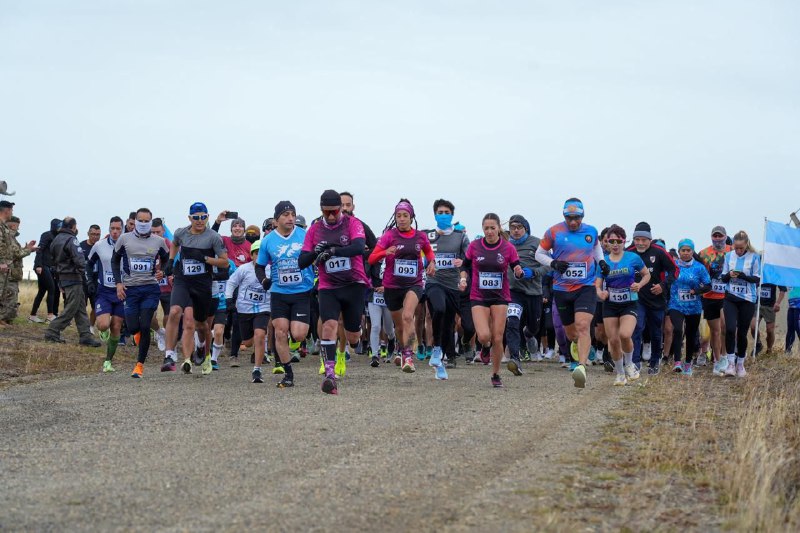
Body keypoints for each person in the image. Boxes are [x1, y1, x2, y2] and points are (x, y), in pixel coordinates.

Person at [299, 190, 370, 395]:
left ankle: (354, 336)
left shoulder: (352, 223)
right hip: (328, 286)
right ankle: (329, 374)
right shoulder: (314, 229)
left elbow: (358, 247)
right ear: (321, 209)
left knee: (353, 336)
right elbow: (301, 262)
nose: (331, 216)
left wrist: (333, 250)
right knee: (329, 325)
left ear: (341, 209)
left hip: (353, 284)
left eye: (335, 212)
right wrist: (316, 251)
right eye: (327, 212)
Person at [535, 198, 607, 388]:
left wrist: (601, 262)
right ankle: (576, 346)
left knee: (583, 325)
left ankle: (581, 367)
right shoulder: (554, 232)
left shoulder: (591, 231)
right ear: (564, 216)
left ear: (582, 216)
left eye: (577, 218)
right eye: (569, 218)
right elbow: (538, 254)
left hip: (586, 287)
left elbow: (596, 249)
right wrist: (553, 263)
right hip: (562, 289)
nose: (573, 222)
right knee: (572, 333)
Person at [368, 199, 436, 374]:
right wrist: (385, 252)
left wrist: (432, 263)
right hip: (392, 286)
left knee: (408, 317)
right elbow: (371, 258)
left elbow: (428, 251)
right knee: (399, 326)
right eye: (398, 216)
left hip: (414, 284)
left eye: (405, 215)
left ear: (411, 217)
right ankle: (401, 346)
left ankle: (408, 356)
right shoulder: (389, 236)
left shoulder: (420, 236)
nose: (402, 219)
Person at [162, 202, 228, 375]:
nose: (200, 221)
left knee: (203, 325)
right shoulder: (180, 232)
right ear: (190, 218)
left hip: (203, 284)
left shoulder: (213, 237)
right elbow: (175, 244)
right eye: (196, 218)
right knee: (175, 310)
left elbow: (224, 262)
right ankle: (169, 354)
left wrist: (204, 258)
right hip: (183, 280)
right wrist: (170, 260)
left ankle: (203, 351)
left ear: (208, 217)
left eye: (203, 217)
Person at [255, 201, 316, 388]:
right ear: (276, 220)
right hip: (279, 292)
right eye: (286, 214)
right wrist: (264, 281)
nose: (290, 218)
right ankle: (288, 374)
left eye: (293, 214)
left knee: (298, 335)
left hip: (302, 292)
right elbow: (259, 266)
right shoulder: (268, 241)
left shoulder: (304, 236)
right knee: (280, 332)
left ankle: (295, 338)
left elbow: (314, 256)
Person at [460, 213, 524, 388]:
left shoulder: (508, 247)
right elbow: (465, 266)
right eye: (486, 228)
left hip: (500, 297)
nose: (489, 231)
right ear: (483, 229)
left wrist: (518, 271)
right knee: (484, 336)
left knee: (497, 336)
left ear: (498, 229)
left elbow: (515, 266)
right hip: (478, 296)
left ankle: (495, 374)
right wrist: (463, 279)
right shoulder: (474, 246)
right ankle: (484, 347)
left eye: (492, 228)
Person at [111, 208, 170, 378]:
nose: (143, 224)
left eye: (147, 221)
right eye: (140, 221)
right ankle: (137, 334)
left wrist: (163, 272)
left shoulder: (159, 241)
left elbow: (167, 260)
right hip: (131, 289)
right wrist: (118, 283)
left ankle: (139, 366)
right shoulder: (124, 238)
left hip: (150, 288)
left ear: (151, 222)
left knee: (145, 325)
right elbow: (115, 262)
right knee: (133, 327)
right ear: (135, 221)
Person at [594, 225, 650, 386]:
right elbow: (597, 284)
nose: (616, 244)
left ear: (624, 241)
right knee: (613, 340)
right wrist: (600, 293)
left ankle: (630, 364)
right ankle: (620, 373)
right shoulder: (603, 262)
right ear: (607, 243)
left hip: (629, 303)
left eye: (619, 240)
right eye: (612, 241)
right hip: (610, 304)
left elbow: (647, 274)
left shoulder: (633, 258)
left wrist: (639, 285)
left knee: (625, 335)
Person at [422, 199, 470, 376]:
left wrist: (462, 261)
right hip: (434, 282)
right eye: (440, 213)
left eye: (446, 212)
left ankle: (447, 357)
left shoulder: (461, 236)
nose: (443, 215)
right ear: (435, 215)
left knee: (450, 323)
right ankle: (436, 349)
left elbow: (469, 258)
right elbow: (420, 257)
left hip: (454, 285)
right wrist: (428, 263)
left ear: (452, 215)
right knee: (439, 310)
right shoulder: (428, 236)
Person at [626, 221, 677, 374]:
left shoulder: (659, 252)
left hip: (656, 299)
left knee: (656, 332)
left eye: (644, 240)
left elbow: (675, 270)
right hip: (636, 298)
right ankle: (634, 362)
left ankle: (655, 362)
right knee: (637, 328)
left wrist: (663, 285)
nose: (640, 243)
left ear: (650, 240)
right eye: (637, 240)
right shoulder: (629, 253)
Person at [44, 217, 101, 346]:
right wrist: (86, 275)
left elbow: (54, 261)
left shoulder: (56, 239)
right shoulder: (72, 240)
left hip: (62, 277)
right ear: (73, 227)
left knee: (80, 308)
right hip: (73, 277)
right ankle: (52, 331)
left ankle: (85, 335)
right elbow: (80, 260)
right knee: (71, 308)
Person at [505, 214, 549, 375]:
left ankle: (529, 335)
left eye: (519, 227)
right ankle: (515, 358)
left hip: (533, 293)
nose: (516, 231)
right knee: (512, 322)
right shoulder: (505, 245)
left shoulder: (537, 243)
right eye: (512, 228)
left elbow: (549, 266)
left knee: (533, 326)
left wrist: (534, 272)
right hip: (513, 292)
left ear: (526, 229)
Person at [226, 241, 271, 383]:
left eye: (262, 253)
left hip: (264, 307)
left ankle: (257, 370)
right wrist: (228, 299)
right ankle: (249, 343)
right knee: (248, 342)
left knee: (260, 334)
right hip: (245, 309)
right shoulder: (244, 269)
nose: (259, 256)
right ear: (251, 255)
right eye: (257, 253)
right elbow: (231, 283)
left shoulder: (271, 269)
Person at [719, 231, 761, 377]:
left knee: (742, 333)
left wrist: (744, 276)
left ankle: (740, 364)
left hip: (747, 299)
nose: (738, 251)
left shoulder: (754, 257)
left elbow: (757, 279)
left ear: (746, 245)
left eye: (741, 248)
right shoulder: (728, 256)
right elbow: (723, 278)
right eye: (736, 248)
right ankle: (730, 363)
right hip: (730, 297)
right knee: (730, 329)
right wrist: (729, 275)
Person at [666, 239, 711, 376]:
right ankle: (677, 362)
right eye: (683, 250)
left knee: (691, 334)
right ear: (679, 252)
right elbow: (666, 281)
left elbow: (708, 285)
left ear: (692, 251)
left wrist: (696, 291)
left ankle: (688, 363)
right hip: (676, 304)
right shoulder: (673, 266)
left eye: (688, 250)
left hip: (694, 306)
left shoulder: (699, 267)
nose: (685, 253)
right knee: (678, 330)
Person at [86, 217, 125, 372]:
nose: (115, 232)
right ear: (109, 229)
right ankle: (103, 330)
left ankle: (108, 360)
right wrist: (90, 281)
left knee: (116, 326)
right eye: (112, 229)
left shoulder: (128, 245)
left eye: (118, 229)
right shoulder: (99, 245)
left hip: (122, 292)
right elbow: (89, 264)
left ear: (122, 230)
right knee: (103, 325)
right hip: (104, 291)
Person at [699, 226, 732, 374]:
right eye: (715, 236)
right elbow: (699, 271)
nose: (718, 239)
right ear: (712, 237)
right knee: (715, 331)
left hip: (727, 296)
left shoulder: (732, 251)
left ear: (725, 237)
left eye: (720, 236)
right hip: (709, 296)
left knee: (725, 327)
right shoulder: (704, 253)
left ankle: (725, 357)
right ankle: (717, 360)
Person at [0, 208, 37, 325]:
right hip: (8, 272)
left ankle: (5, 319)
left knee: (10, 298)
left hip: (12, 272)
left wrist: (27, 249)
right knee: (8, 298)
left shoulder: (12, 239)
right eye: (16, 226)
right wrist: (28, 250)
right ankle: (3, 318)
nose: (18, 228)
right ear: (12, 226)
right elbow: (14, 254)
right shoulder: (8, 237)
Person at [30, 218, 63, 322]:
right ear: (54, 226)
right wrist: (38, 265)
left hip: (51, 267)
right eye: (59, 226)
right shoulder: (46, 235)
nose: (60, 228)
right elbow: (40, 250)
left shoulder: (59, 237)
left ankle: (32, 316)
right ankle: (50, 315)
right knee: (52, 288)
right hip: (42, 266)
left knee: (42, 291)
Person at [750, 283, 786, 354]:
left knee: (769, 330)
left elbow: (783, 290)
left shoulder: (773, 274)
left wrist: (778, 303)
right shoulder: (758, 273)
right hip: (757, 304)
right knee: (753, 326)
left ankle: (769, 349)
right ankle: (758, 344)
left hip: (770, 306)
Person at [79, 224, 101, 331]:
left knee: (96, 306)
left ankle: (91, 327)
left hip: (97, 281)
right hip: (83, 281)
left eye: (98, 235)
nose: (95, 237)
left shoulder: (101, 246)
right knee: (81, 306)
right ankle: (83, 327)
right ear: (88, 234)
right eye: (93, 234)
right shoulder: (81, 246)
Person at [785, 287, 800, 353]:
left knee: (798, 327)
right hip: (791, 304)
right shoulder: (791, 277)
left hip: (799, 305)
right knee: (790, 328)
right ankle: (787, 351)